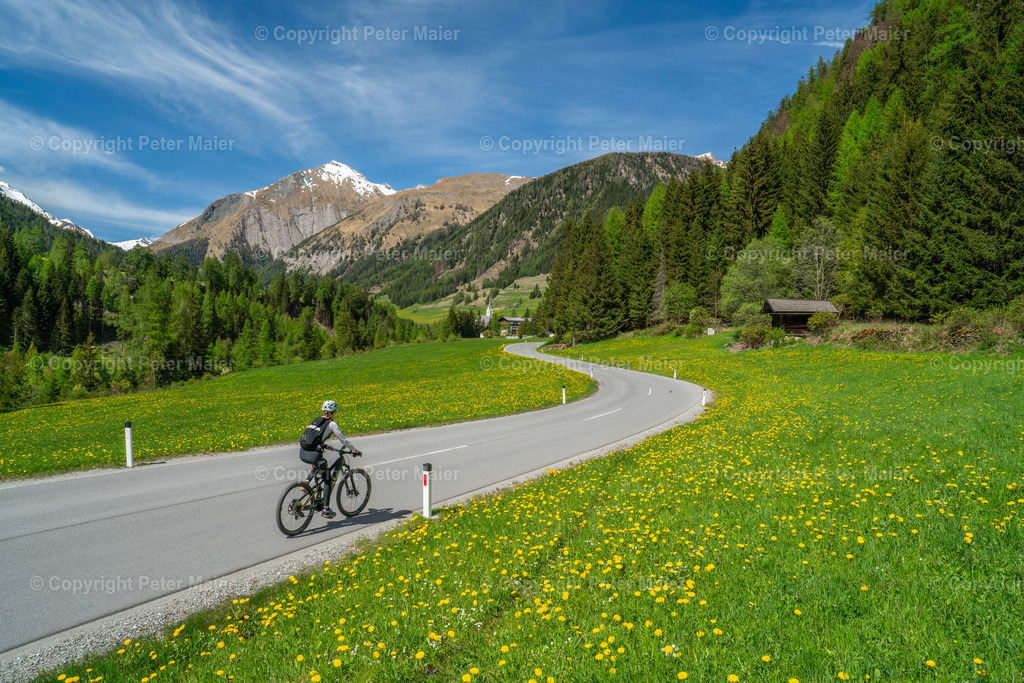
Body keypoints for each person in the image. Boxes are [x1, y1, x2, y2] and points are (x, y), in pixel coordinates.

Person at [299, 399, 361, 518]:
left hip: (303, 452)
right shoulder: (332, 424)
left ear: (323, 411)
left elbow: (315, 437)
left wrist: (324, 445)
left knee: (321, 464)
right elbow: (343, 440)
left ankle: (306, 484)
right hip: (314, 455)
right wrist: (355, 450)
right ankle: (326, 510)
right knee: (328, 480)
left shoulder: (316, 420)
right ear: (333, 412)